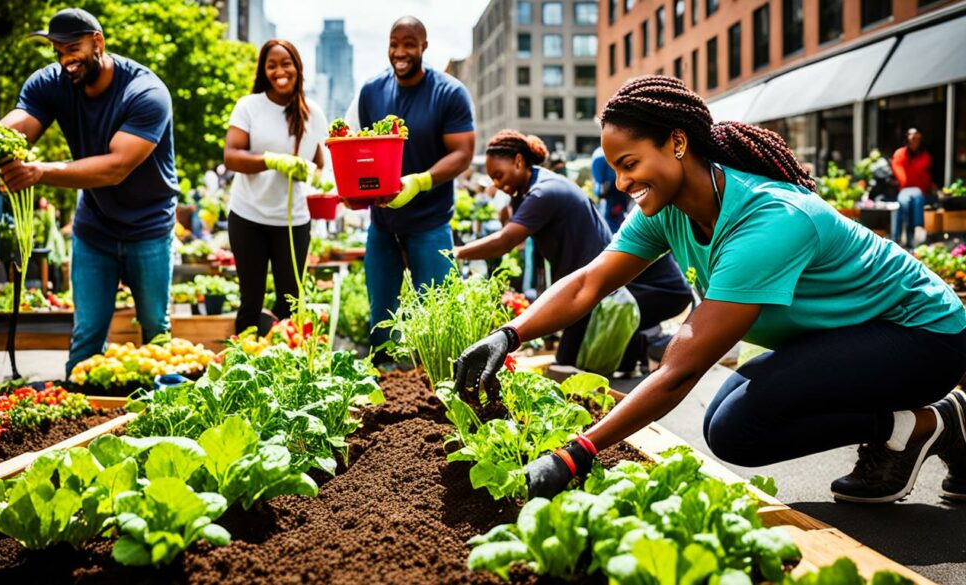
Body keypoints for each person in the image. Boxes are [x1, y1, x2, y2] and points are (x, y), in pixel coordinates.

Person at [453, 75, 966, 504]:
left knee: (741, 427)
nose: (621, 182)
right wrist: (508, 335)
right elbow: (590, 281)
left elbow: (679, 370)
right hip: (847, 334)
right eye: (614, 169)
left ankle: (922, 425)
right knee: (729, 425)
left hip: (922, 335)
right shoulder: (667, 208)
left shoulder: (768, 220)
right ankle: (916, 429)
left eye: (629, 163)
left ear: (677, 144)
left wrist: (576, 454)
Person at [0, 8, 178, 376]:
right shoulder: (50, 83)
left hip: (149, 226)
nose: (66, 59)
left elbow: (116, 167)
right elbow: (18, 126)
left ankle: (162, 416)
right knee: (86, 339)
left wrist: (39, 171)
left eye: (73, 48)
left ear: (98, 42)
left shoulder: (146, 92)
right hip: (95, 227)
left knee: (155, 332)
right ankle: (83, 421)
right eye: (58, 51)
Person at [453, 130, 691, 372]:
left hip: (598, 288)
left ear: (518, 161)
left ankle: (652, 345)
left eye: (498, 175)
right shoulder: (528, 190)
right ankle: (638, 355)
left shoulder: (544, 192)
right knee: (579, 365)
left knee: (567, 366)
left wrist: (457, 252)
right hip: (590, 287)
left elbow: (505, 241)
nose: (496, 184)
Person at [348, 16, 475, 357]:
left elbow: (463, 153)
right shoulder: (372, 91)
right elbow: (365, 153)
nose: (400, 52)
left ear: (424, 46)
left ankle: (440, 390)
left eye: (409, 44)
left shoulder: (448, 93)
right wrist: (357, 194)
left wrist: (419, 182)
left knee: (439, 320)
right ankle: (382, 395)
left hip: (430, 223)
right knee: (381, 322)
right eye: (394, 44)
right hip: (383, 225)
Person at [223, 40, 326, 334]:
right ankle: (243, 365)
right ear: (263, 71)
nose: (279, 71)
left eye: (286, 63)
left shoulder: (313, 114)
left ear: (297, 68)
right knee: (250, 302)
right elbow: (232, 155)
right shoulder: (249, 106)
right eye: (272, 65)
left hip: (293, 222)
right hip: (248, 218)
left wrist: (314, 175)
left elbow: (320, 163)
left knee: (291, 304)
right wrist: (271, 160)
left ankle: (287, 367)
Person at [891, 128, 934, 247]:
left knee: (915, 199)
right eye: (911, 136)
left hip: (920, 192)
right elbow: (900, 175)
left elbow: (926, 176)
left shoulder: (925, 157)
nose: (914, 139)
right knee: (903, 204)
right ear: (907, 138)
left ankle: (910, 237)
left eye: (916, 136)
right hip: (905, 190)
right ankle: (898, 238)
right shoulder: (900, 154)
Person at [591, 146, 631, 232]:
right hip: (615, 197)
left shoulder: (599, 154)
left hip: (609, 198)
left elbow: (598, 182)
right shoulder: (618, 152)